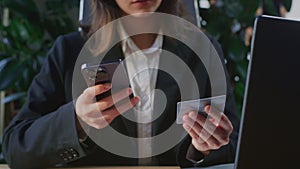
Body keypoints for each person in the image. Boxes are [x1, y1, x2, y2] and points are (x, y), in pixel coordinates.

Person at [2, 0, 240, 169]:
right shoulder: (69, 51)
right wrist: (76, 120)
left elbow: (236, 144)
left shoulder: (202, 50)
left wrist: (203, 149)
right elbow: (15, 149)